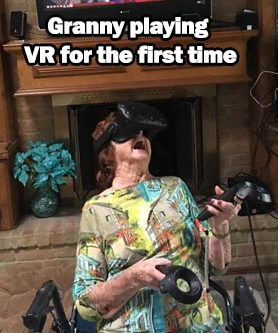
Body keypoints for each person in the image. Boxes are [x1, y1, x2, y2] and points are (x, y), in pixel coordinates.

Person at [72, 103, 241, 332]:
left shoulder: (175, 188)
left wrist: (220, 222)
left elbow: (216, 267)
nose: (140, 136)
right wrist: (134, 277)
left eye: (144, 133)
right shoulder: (96, 209)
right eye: (128, 134)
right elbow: (85, 306)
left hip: (198, 324)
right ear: (107, 153)